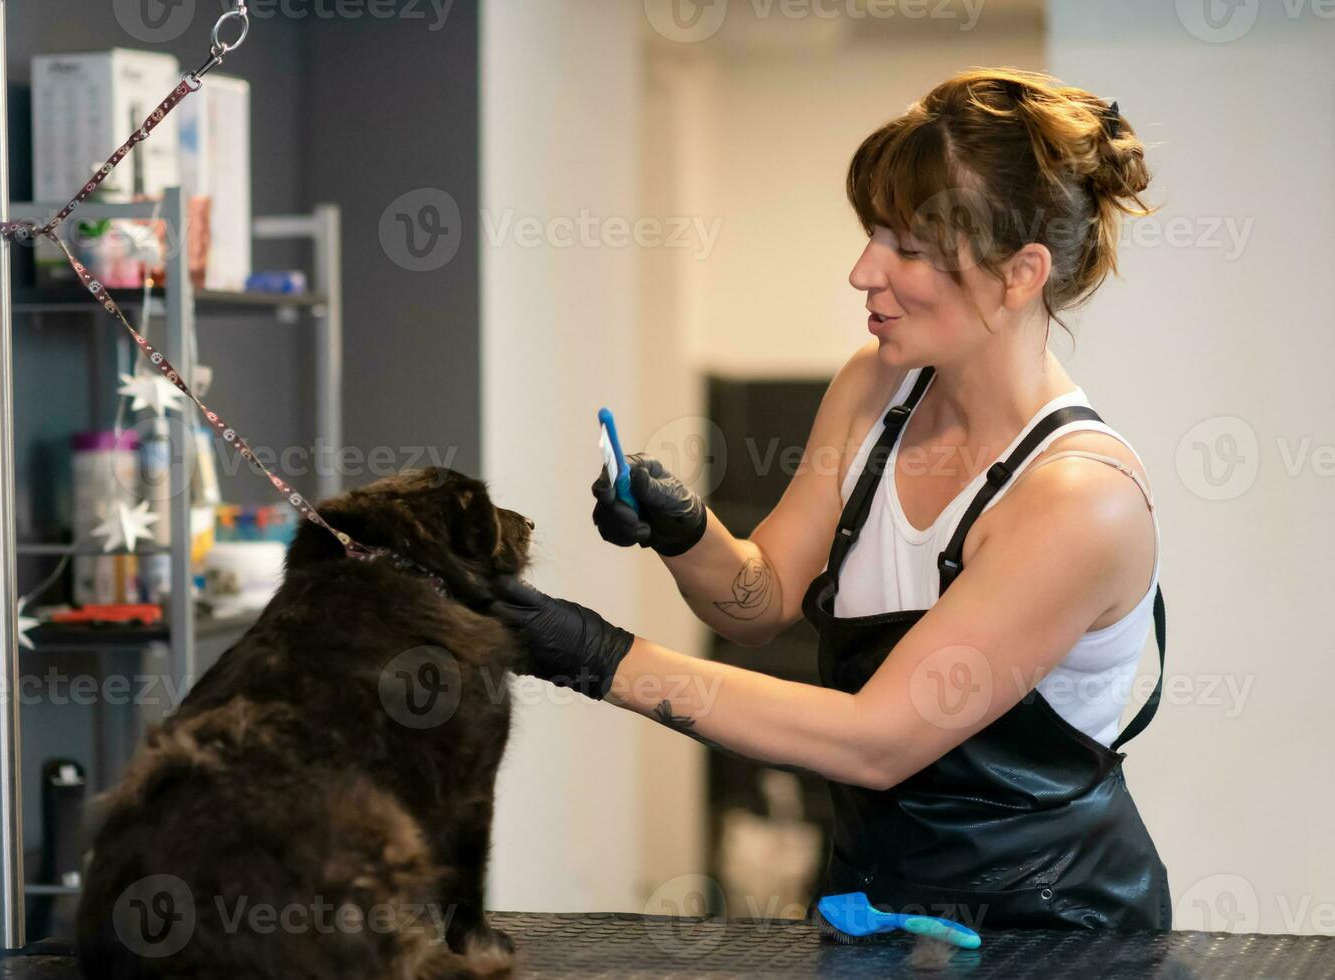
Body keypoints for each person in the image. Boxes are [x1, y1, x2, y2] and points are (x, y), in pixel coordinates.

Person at [479, 68, 1171, 931]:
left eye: (907, 248)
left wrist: (588, 651)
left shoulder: (1076, 499)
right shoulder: (873, 387)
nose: (861, 271)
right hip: (873, 902)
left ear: (1020, 273)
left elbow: (875, 740)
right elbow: (761, 604)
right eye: (870, 233)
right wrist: (686, 533)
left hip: (1049, 928)